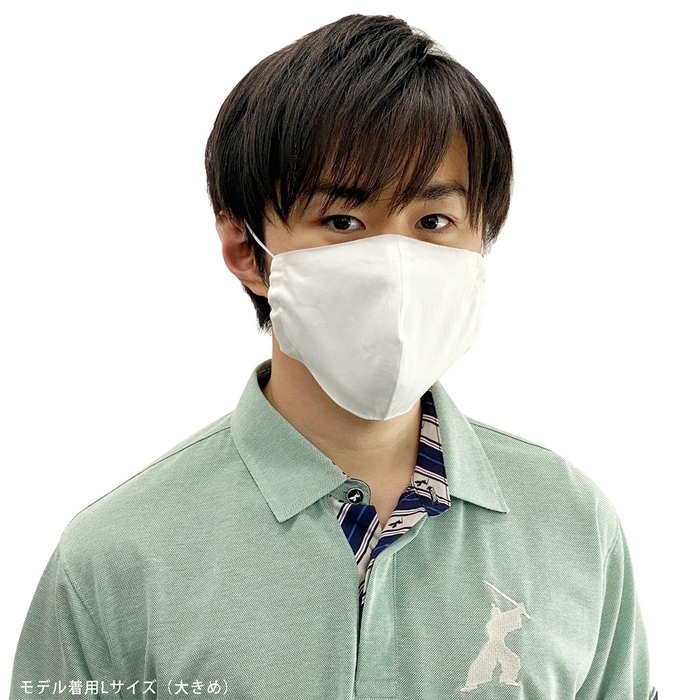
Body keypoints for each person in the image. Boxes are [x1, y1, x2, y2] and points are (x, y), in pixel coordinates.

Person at [10, 14, 658, 699]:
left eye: (433, 221)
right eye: (343, 221)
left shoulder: (573, 525)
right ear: (246, 250)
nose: (395, 264)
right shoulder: (115, 558)